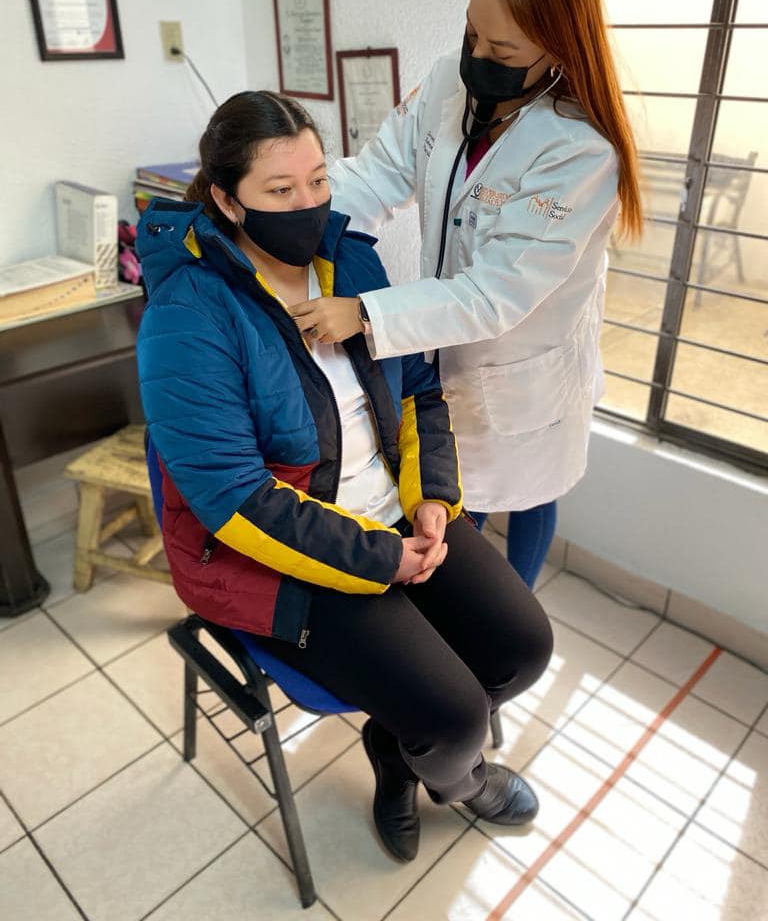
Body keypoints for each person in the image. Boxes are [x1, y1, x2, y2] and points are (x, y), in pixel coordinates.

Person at [136, 90, 553, 864]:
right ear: (226, 201)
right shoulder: (189, 315)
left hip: (390, 512)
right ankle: (455, 776)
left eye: (319, 180)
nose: (308, 204)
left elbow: (419, 391)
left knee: (522, 649)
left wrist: (432, 500)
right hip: (271, 551)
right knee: (455, 716)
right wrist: (382, 557)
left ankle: (396, 750)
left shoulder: (350, 260)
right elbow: (235, 500)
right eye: (280, 190)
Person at [288, 0, 642, 590]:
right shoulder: (447, 82)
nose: (476, 56)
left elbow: (495, 294)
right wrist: (299, 211)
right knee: (449, 495)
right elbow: (378, 175)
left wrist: (363, 312)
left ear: (559, 44)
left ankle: (516, 605)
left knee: (529, 489)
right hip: (443, 347)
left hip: (524, 366)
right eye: (472, 33)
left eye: (501, 48)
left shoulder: (579, 151)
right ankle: (472, 614)